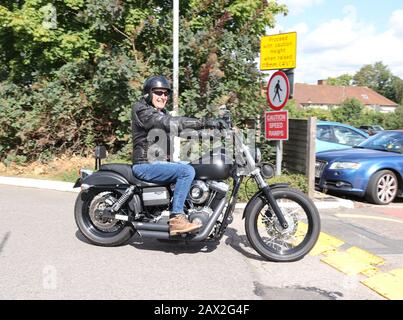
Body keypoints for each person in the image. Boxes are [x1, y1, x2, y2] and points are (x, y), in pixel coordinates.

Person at [131, 75, 226, 236]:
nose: (163, 97)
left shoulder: (160, 113)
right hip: (145, 164)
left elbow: (184, 131)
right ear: (148, 93)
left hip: (160, 162)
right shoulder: (142, 110)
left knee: (193, 166)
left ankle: (193, 209)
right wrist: (205, 121)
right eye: (158, 93)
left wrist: (215, 134)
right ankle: (177, 218)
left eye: (165, 94)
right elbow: (170, 123)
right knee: (186, 171)